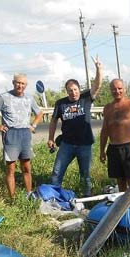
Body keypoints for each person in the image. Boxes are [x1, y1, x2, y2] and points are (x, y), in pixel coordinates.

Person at [0, 73, 45, 199]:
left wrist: (33, 125)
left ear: (26, 85)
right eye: (18, 82)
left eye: (22, 83)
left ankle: (29, 194)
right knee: (11, 169)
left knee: (26, 167)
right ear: (13, 83)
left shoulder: (29, 98)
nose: (20, 85)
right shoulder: (4, 97)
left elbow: (39, 113)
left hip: (25, 134)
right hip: (11, 134)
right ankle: (12, 198)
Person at [47, 56, 103, 197]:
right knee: (57, 171)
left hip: (85, 144)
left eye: (75, 89)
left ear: (79, 89)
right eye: (70, 90)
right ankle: (54, 196)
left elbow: (97, 85)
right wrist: (50, 138)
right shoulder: (61, 103)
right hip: (67, 144)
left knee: (85, 174)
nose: (73, 92)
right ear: (67, 91)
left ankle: (87, 197)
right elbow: (53, 121)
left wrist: (98, 69)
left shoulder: (86, 98)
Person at [99, 79, 130, 192]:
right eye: (114, 89)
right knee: (120, 181)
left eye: (119, 88)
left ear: (124, 89)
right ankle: (124, 207)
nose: (117, 91)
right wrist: (102, 150)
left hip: (129, 148)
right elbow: (104, 131)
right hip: (113, 148)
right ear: (110, 90)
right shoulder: (107, 108)